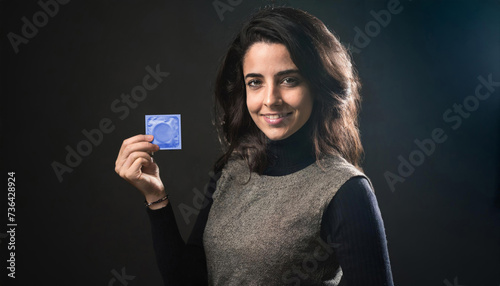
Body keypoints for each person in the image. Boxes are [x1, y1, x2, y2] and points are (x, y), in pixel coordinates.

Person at [115, 6, 394, 286]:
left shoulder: (346, 190)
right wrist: (155, 197)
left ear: (317, 85)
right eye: (256, 82)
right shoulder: (234, 168)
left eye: (288, 80)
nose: (270, 99)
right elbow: (190, 279)